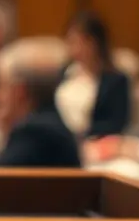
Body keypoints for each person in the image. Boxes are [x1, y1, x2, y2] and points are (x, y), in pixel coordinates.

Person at [56, 11, 130, 139]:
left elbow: (115, 124)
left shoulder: (116, 81)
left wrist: (81, 133)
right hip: (60, 140)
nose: (75, 49)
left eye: (81, 42)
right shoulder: (65, 72)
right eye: (71, 42)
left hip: (95, 142)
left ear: (96, 43)